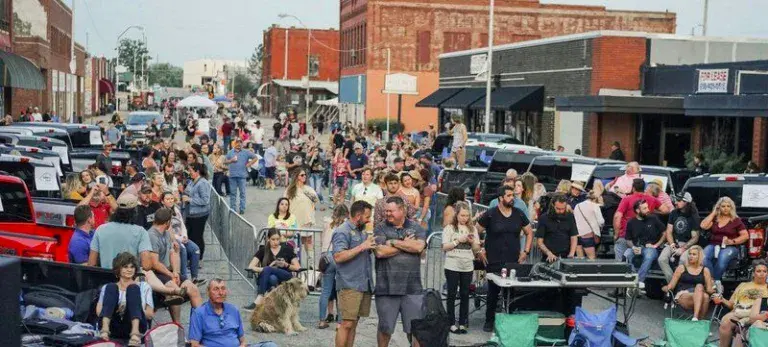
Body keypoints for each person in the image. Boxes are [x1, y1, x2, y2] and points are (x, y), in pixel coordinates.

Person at [475, 185, 534, 332]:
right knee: (493, 292)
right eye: (508, 195)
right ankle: (489, 321)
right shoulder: (490, 214)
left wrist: (525, 251)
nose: (512, 198)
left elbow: (529, 232)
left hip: (513, 259)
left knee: (511, 291)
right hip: (493, 259)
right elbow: (476, 230)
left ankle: (510, 321)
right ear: (500, 198)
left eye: (512, 195)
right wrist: (479, 249)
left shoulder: (519, 213)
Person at [373, 196, 426, 347]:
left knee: (416, 330)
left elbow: (418, 247)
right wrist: (406, 244)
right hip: (386, 288)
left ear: (402, 210)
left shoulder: (417, 228)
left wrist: (394, 242)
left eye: (391, 211)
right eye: (386, 211)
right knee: (385, 329)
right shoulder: (380, 228)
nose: (387, 214)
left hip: (412, 288)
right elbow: (380, 252)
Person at [146, 208, 204, 322]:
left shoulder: (167, 233)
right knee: (175, 291)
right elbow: (155, 263)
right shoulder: (152, 235)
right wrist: (170, 274)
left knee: (193, 289)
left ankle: (200, 325)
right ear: (167, 222)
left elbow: (173, 253)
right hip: (156, 273)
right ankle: (177, 324)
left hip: (169, 271)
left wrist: (176, 273)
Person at [96, 252, 154, 346]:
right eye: (125, 267)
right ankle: (105, 331)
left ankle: (135, 334)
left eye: (132, 267)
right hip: (113, 325)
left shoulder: (144, 287)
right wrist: (116, 308)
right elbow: (99, 312)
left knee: (133, 288)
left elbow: (150, 314)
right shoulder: (108, 288)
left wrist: (130, 308)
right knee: (111, 287)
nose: (129, 270)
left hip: (135, 325)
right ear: (118, 269)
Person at [441, 202, 481, 334]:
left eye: (467, 215)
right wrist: (458, 240)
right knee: (451, 294)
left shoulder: (473, 229)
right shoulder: (450, 228)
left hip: (467, 265)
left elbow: (476, 249)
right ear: (456, 215)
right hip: (452, 264)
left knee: (465, 294)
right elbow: (444, 247)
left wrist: (472, 242)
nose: (465, 218)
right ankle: (451, 322)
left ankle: (463, 322)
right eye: (462, 215)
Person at [88, 194, 152, 271]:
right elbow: (147, 265)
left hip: (104, 279)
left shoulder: (101, 229)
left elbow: (91, 263)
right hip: (130, 279)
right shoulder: (141, 232)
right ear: (135, 211)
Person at [713, 262, 768, 347]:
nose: (762, 273)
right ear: (753, 273)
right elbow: (731, 304)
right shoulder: (743, 285)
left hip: (756, 314)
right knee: (726, 321)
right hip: (739, 311)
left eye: (764, 271)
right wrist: (721, 299)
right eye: (759, 271)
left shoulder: (767, 287)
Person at [700, 196, 748, 292]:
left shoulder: (736, 220)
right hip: (714, 244)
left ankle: (714, 282)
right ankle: (713, 281)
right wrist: (714, 212)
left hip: (730, 247)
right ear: (719, 207)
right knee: (703, 258)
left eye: (728, 206)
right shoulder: (715, 219)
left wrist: (732, 241)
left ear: (731, 208)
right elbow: (703, 226)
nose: (726, 208)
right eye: (723, 206)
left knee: (722, 259)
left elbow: (745, 236)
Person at [613, 179, 667, 262]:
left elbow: (617, 216)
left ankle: (623, 273)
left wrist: (616, 234)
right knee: (642, 261)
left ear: (633, 188)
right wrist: (653, 211)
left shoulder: (627, 199)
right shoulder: (652, 199)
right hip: (644, 237)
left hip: (626, 235)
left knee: (621, 261)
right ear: (644, 188)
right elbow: (666, 210)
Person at [245, 228, 301, 308]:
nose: (276, 242)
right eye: (273, 239)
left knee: (269, 271)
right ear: (268, 239)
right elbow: (251, 266)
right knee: (272, 277)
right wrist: (269, 268)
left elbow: (297, 267)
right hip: (270, 278)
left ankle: (260, 297)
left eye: (278, 239)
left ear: (280, 238)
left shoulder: (287, 249)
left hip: (284, 276)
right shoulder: (263, 250)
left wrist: (285, 264)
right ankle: (270, 303)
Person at [189, 279, 253, 347]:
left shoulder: (233, 310)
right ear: (208, 292)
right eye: (216, 289)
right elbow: (194, 344)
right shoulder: (199, 313)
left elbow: (243, 341)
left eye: (223, 288)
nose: (221, 293)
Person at [661, 246, 714, 320]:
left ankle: (696, 319)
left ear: (700, 257)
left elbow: (709, 289)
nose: (691, 256)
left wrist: (717, 291)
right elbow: (671, 285)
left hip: (700, 295)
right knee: (703, 293)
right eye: (690, 254)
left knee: (702, 291)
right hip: (683, 295)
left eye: (694, 254)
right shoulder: (681, 268)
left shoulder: (705, 270)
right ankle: (698, 321)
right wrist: (665, 288)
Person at [161, 192, 203, 285]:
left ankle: (194, 277)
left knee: (195, 249)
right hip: (172, 239)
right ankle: (184, 279)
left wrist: (185, 236)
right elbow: (168, 230)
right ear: (163, 201)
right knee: (182, 250)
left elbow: (182, 224)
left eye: (172, 198)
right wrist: (179, 239)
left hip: (181, 237)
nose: (170, 201)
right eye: (167, 199)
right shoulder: (162, 213)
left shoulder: (176, 209)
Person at [318, 205, 349, 329]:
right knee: (341, 291)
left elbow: (322, 240)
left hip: (327, 256)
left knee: (325, 291)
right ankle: (339, 322)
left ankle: (321, 320)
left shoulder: (327, 223)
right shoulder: (346, 225)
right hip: (340, 255)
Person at [658, 192, 700, 282]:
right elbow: (669, 231)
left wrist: (683, 248)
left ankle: (681, 284)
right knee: (662, 259)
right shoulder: (673, 213)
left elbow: (695, 238)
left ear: (686, 202)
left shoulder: (694, 216)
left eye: (679, 200)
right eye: (676, 200)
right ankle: (673, 283)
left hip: (687, 245)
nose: (676, 202)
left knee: (682, 260)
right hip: (674, 243)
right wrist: (672, 244)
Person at [625, 199, 666, 291]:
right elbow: (628, 240)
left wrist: (656, 245)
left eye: (647, 207)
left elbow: (665, 232)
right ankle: (633, 279)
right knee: (626, 255)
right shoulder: (631, 222)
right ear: (637, 211)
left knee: (649, 255)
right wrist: (633, 247)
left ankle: (638, 282)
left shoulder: (653, 218)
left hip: (650, 247)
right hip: (636, 247)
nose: (648, 210)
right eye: (644, 208)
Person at [536, 194, 578, 262]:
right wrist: (548, 253)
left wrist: (571, 254)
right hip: (548, 257)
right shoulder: (544, 218)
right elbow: (540, 241)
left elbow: (573, 237)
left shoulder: (570, 217)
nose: (561, 211)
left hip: (566, 256)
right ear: (552, 205)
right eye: (558, 209)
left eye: (563, 209)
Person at [184, 163, 212, 260]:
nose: (189, 173)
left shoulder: (203, 183)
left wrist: (189, 200)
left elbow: (205, 200)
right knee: (190, 236)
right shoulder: (192, 181)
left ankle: (198, 257)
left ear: (197, 172)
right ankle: (192, 256)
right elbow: (187, 192)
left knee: (197, 236)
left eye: (191, 171)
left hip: (199, 215)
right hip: (191, 214)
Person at [226, 139, 259, 214]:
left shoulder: (246, 152)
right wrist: (231, 160)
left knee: (242, 193)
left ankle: (242, 208)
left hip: (242, 176)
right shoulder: (230, 152)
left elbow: (255, 157)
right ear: (234, 144)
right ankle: (232, 208)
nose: (238, 145)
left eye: (240, 143)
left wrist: (249, 164)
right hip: (232, 176)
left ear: (242, 145)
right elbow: (225, 161)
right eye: (237, 143)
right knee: (233, 193)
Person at [573, 188, 604, 259]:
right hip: (588, 235)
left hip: (577, 235)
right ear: (596, 199)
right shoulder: (595, 206)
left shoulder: (577, 206)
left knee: (580, 259)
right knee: (592, 259)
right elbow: (601, 221)